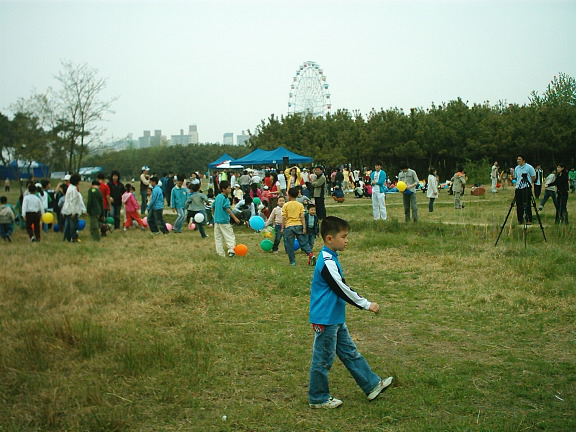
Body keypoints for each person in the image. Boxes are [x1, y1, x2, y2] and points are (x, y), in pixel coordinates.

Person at [308, 216, 393, 409]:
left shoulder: (332, 257)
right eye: (343, 236)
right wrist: (365, 304)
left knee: (349, 352)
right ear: (329, 239)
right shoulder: (327, 260)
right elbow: (341, 288)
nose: (347, 240)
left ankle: (371, 385)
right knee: (323, 359)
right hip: (326, 318)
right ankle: (318, 398)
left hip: (335, 317)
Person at [281, 187, 315, 266]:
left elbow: (284, 217)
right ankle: (310, 254)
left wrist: (282, 227)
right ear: (297, 195)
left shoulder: (286, 205)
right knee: (303, 242)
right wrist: (304, 227)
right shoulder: (300, 205)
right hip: (299, 225)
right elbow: (302, 216)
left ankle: (292, 261)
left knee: (290, 245)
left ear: (288, 195)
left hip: (289, 226)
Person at [212, 181, 240, 257]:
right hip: (224, 220)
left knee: (218, 238)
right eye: (228, 188)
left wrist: (214, 215)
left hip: (217, 221)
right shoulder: (225, 198)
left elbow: (213, 206)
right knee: (229, 236)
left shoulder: (217, 197)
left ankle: (220, 253)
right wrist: (235, 218)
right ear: (223, 189)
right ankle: (231, 250)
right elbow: (227, 208)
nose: (230, 189)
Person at [61, 174, 85, 243]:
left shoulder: (70, 188)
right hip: (72, 211)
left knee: (67, 225)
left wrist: (63, 211)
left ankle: (67, 238)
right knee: (73, 226)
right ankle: (73, 238)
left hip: (68, 210)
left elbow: (67, 201)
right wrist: (74, 212)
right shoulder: (74, 189)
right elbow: (73, 202)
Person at [514, 155, 536, 225]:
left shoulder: (529, 167)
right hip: (518, 187)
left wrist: (529, 183)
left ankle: (528, 219)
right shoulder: (516, 168)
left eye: (520, 159)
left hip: (526, 187)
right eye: (517, 159)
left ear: (523, 160)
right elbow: (516, 177)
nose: (518, 160)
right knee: (519, 204)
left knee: (527, 204)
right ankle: (520, 219)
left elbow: (533, 177)